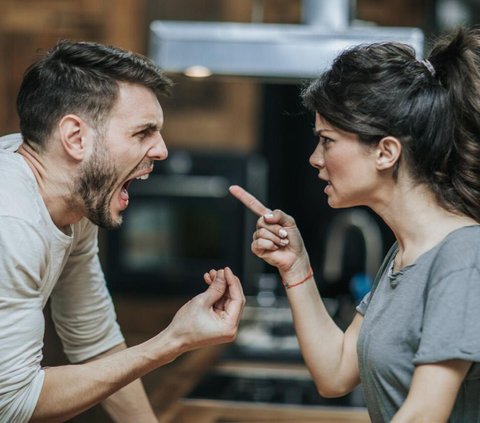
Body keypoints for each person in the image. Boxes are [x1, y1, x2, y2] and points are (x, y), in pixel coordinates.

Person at [230, 26, 480, 423]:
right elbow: (336, 372)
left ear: (385, 152)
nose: (315, 158)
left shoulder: (463, 257)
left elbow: (422, 415)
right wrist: (296, 267)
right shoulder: (405, 254)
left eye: (327, 140)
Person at [0, 40, 245, 422]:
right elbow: (13, 402)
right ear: (75, 138)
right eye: (143, 132)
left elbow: (94, 338)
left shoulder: (72, 198)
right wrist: (173, 341)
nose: (161, 150)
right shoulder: (11, 223)